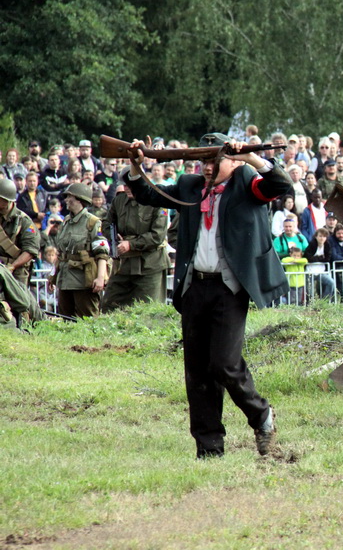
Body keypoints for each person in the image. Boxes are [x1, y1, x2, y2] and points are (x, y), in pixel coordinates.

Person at [126, 133, 290, 458]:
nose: (208, 167)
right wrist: (135, 164)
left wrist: (249, 158)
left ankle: (262, 416)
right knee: (197, 372)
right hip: (194, 288)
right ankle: (209, 447)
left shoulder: (246, 181)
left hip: (229, 288)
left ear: (233, 161)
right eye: (205, 160)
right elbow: (146, 192)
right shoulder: (190, 185)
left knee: (225, 364)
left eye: (216, 160)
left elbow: (278, 184)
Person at [100, 176, 170, 312]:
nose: (127, 189)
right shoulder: (119, 201)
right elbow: (106, 224)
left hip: (150, 265)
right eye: (125, 185)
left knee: (148, 311)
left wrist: (131, 244)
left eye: (131, 185)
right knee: (109, 305)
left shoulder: (157, 201)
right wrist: (113, 237)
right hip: (124, 265)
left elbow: (157, 236)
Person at [47, 183, 110, 318]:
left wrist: (100, 278)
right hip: (64, 280)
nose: (67, 200)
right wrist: (53, 276)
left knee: (88, 320)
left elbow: (102, 253)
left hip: (83, 281)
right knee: (66, 319)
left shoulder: (93, 223)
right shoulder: (66, 221)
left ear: (80, 200)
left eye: (70, 197)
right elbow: (60, 253)